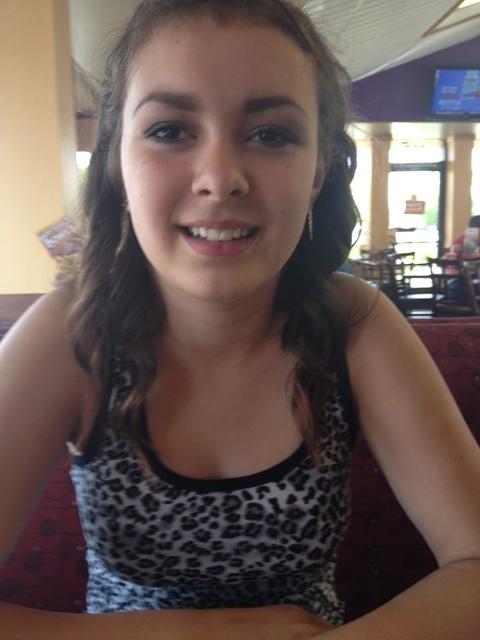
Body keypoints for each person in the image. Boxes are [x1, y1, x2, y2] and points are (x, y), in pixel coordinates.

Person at [1, 1, 480, 638]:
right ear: (116, 162)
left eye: (271, 135)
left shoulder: (355, 325)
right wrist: (207, 633)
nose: (220, 179)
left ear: (318, 172)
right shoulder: (75, 333)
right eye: (169, 129)